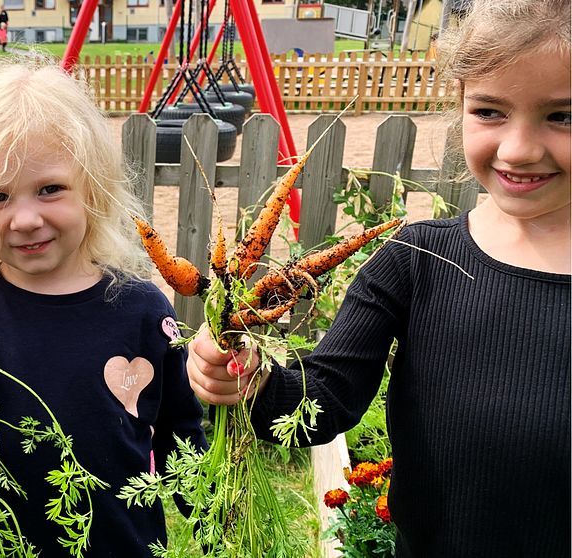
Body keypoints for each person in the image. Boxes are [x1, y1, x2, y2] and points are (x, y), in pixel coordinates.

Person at [186, 0, 570, 556]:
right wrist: (253, 380)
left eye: (562, 115)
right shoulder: (416, 260)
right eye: (489, 111)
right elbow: (323, 400)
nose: (518, 148)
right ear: (460, 104)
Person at [0, 61, 206, 557]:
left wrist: (218, 513)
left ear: (93, 190)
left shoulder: (142, 308)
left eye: (49, 189)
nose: (26, 219)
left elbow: (180, 438)